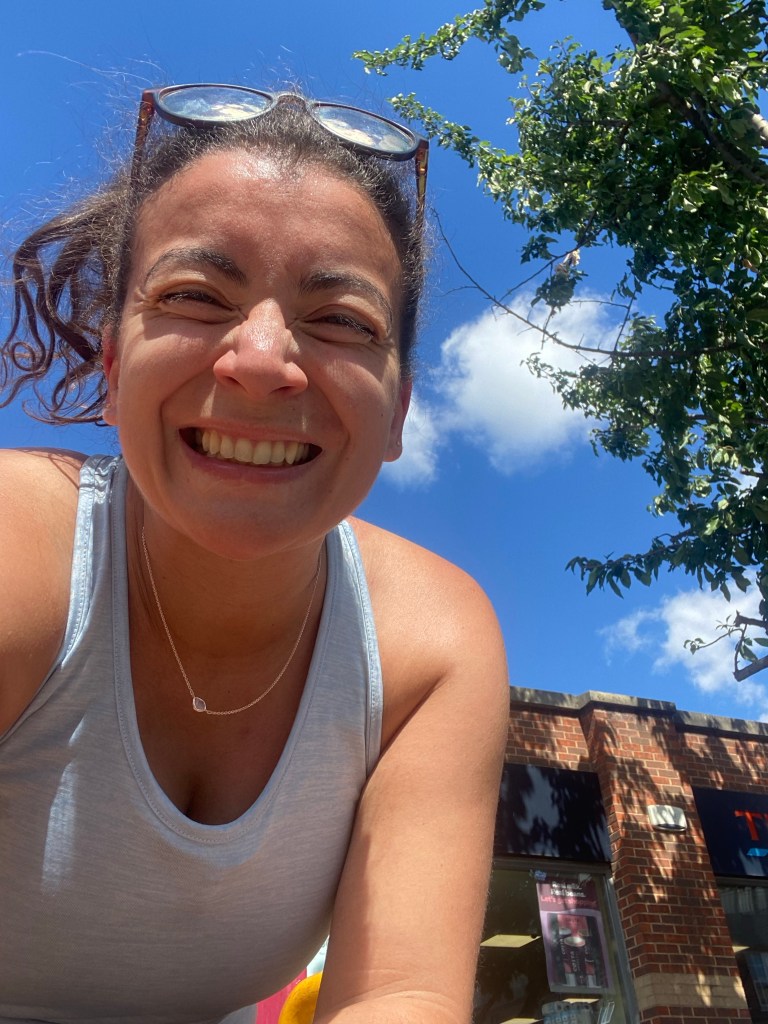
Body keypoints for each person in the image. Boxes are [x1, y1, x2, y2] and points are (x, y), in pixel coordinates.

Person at [0, 85, 509, 1024]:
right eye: (196, 297)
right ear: (113, 365)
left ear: (397, 410)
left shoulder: (432, 647)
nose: (263, 359)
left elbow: (401, 994)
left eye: (343, 320)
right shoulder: (14, 544)